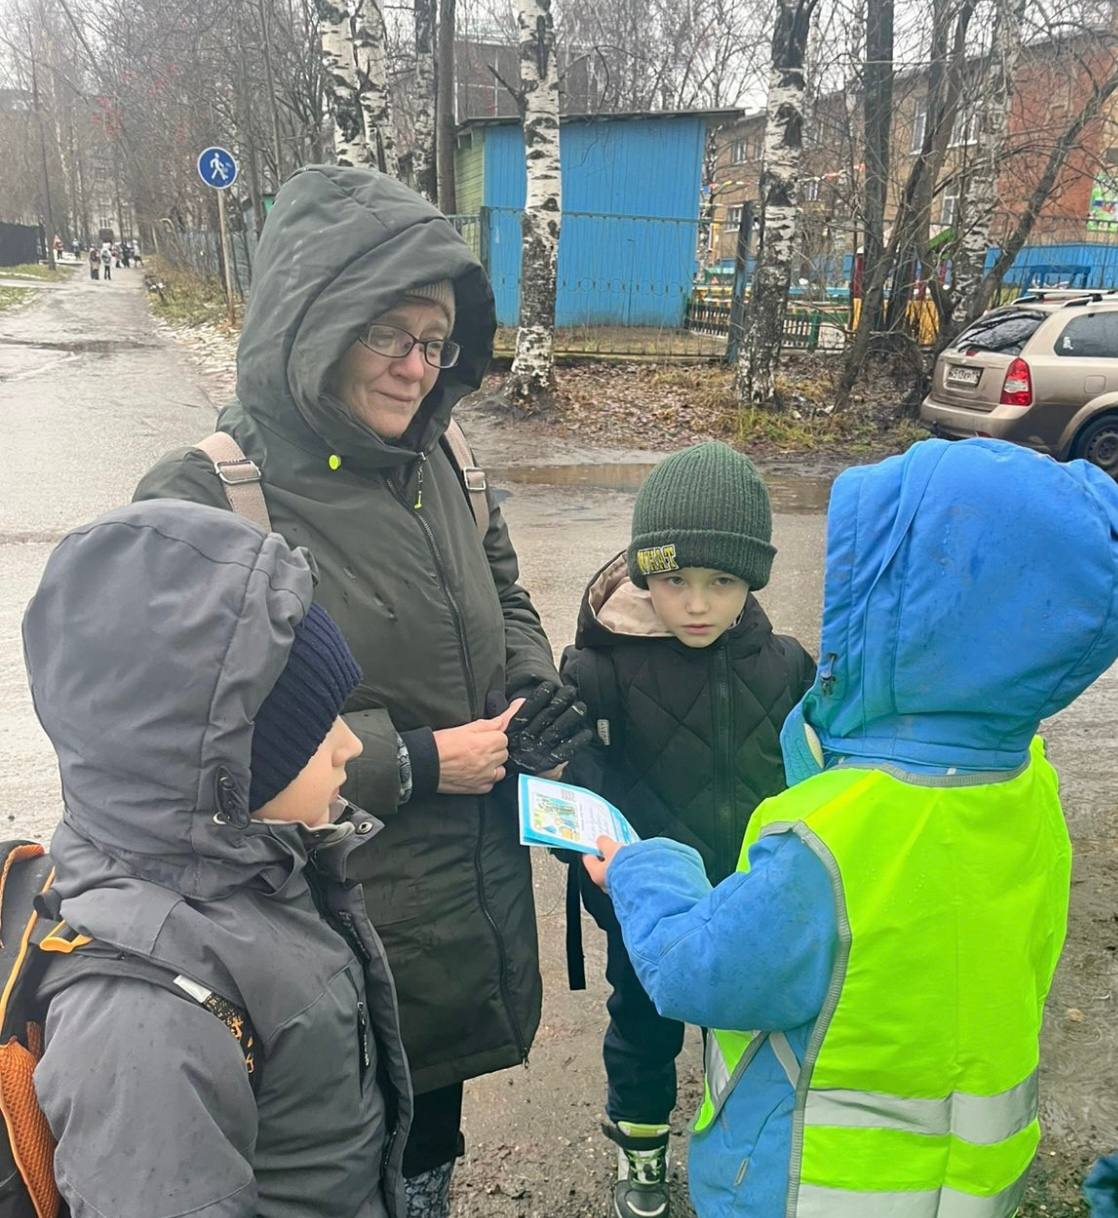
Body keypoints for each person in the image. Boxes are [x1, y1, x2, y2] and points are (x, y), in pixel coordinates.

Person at [134, 165, 583, 1216]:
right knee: (324, 1175)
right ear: (315, 320)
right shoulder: (208, 492)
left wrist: (531, 684)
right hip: (312, 943)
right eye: (390, 334)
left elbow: (503, 590)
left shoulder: (446, 457)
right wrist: (416, 762)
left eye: (435, 341)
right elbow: (180, 747)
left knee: (427, 1160)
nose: (418, 368)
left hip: (461, 920)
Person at [584, 438, 1118, 1218]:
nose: (697, 603)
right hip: (971, 1184)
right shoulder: (1029, 784)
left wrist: (643, 868)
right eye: (675, 582)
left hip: (808, 1180)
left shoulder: (830, 840)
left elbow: (696, 967)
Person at [23, 498, 412, 1218]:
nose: (350, 746)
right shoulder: (144, 1021)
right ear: (224, 773)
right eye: (312, 731)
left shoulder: (250, 866)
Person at [560, 441, 814, 1218]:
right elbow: (581, 791)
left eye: (722, 582)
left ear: (751, 583)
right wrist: (600, 871)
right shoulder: (599, 671)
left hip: (750, 900)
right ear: (646, 575)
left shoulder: (788, 667)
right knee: (642, 1030)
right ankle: (641, 1153)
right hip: (649, 905)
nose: (697, 605)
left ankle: (741, 1151)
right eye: (674, 582)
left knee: (746, 1030)